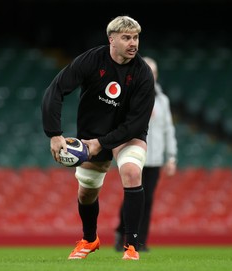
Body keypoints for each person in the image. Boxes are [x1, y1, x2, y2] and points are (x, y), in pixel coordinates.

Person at [41, 15, 155, 260]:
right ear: (111, 39)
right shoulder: (92, 60)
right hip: (93, 133)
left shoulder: (143, 74)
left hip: (128, 134)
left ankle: (131, 245)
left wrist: (101, 144)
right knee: (87, 192)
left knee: (132, 172)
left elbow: (136, 123)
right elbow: (56, 89)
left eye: (135, 37)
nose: (133, 43)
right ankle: (90, 239)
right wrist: (54, 134)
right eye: (126, 38)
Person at [114, 56, 178, 252]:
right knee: (131, 197)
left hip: (154, 157)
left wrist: (171, 156)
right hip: (133, 154)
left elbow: (168, 129)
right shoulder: (127, 97)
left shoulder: (162, 101)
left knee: (147, 198)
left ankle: (140, 241)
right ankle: (122, 233)